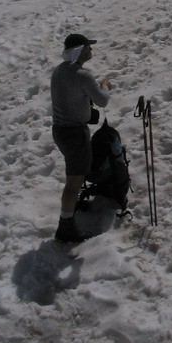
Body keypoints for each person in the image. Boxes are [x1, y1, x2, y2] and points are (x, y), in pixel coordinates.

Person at [51, 33, 113, 242]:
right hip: (74, 133)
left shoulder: (58, 71)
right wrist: (105, 85)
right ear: (80, 50)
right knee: (74, 181)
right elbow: (102, 101)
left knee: (75, 176)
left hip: (60, 130)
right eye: (88, 46)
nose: (91, 50)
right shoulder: (82, 75)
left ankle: (71, 210)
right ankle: (66, 227)